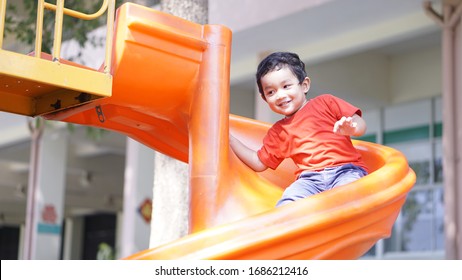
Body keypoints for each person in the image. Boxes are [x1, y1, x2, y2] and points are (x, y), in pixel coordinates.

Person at [230, 52, 368, 207]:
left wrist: (352, 129)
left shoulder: (326, 103)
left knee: (346, 196)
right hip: (309, 180)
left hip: (345, 171)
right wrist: (229, 138)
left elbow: (360, 123)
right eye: (271, 92)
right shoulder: (279, 132)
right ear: (264, 99)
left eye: (286, 86)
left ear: (304, 85)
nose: (280, 95)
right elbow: (258, 162)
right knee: (286, 205)